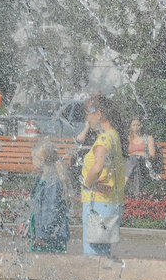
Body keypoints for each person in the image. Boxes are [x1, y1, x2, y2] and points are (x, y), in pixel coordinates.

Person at [80, 94, 126, 256]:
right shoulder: (115, 136)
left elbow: (98, 167)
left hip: (97, 204)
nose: (87, 119)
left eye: (88, 114)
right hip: (111, 203)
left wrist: (87, 183)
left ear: (98, 114)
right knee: (103, 256)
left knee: (93, 257)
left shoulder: (104, 139)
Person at [26, 139, 71, 253]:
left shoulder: (53, 182)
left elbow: (52, 210)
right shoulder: (41, 179)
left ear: (42, 160)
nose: (31, 161)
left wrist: (42, 236)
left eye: (32, 158)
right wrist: (29, 232)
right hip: (40, 235)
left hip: (50, 239)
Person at [124, 117, 156, 197]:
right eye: (133, 125)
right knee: (135, 165)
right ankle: (137, 197)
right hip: (132, 165)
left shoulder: (148, 138)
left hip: (144, 165)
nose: (136, 127)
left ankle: (124, 182)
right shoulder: (128, 139)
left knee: (135, 159)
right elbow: (125, 154)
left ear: (141, 126)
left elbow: (152, 154)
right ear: (130, 127)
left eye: (138, 125)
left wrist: (138, 155)